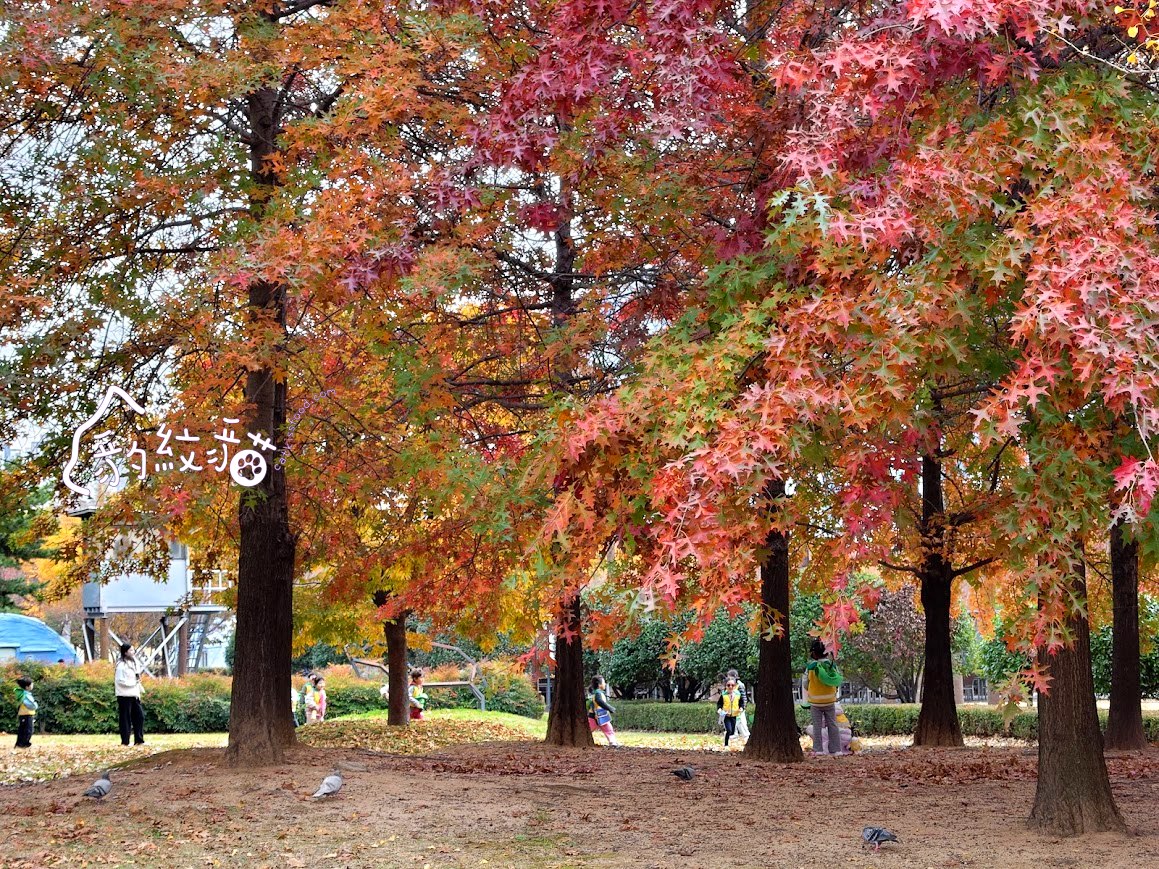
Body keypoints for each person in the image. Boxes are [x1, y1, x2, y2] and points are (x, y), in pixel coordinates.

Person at [802, 638, 843, 756]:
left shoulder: (811, 667)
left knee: (817, 726)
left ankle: (818, 749)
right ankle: (836, 749)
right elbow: (836, 681)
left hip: (815, 702)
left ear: (814, 653)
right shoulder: (831, 665)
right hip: (829, 701)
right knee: (832, 725)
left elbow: (805, 683)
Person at [115, 642, 146, 746]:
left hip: (134, 694)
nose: (133, 652)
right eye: (131, 650)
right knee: (125, 719)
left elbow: (136, 675)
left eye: (133, 650)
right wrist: (133, 683)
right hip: (124, 695)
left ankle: (139, 740)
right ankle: (125, 742)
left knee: (139, 716)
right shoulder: (121, 665)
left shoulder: (134, 662)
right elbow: (120, 681)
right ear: (125, 652)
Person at [586, 675, 619, 747]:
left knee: (589, 730)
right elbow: (600, 701)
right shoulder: (598, 693)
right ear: (599, 684)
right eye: (604, 682)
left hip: (596, 716)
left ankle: (613, 742)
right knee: (609, 730)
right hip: (600, 716)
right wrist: (610, 708)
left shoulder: (597, 693)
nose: (605, 684)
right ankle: (613, 743)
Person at [717, 676, 745, 749]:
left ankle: (727, 735)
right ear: (726, 686)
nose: (730, 687)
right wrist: (719, 709)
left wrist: (741, 708)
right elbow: (719, 703)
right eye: (728, 685)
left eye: (732, 685)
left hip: (734, 716)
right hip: (726, 715)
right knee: (729, 730)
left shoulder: (738, 695)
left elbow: (741, 703)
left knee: (732, 732)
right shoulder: (723, 695)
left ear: (735, 686)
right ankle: (726, 744)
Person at [726, 668, 750, 743]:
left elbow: (743, 698)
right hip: (732, 709)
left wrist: (742, 707)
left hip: (739, 709)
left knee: (742, 724)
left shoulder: (740, 685)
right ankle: (733, 739)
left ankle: (747, 738)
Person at [14, 676, 38, 748]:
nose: (32, 685)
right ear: (27, 687)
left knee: (22, 729)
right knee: (28, 730)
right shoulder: (26, 695)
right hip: (27, 714)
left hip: (23, 714)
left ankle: (19, 743)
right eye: (31, 684)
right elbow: (32, 705)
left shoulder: (21, 694)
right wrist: (36, 705)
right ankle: (24, 743)